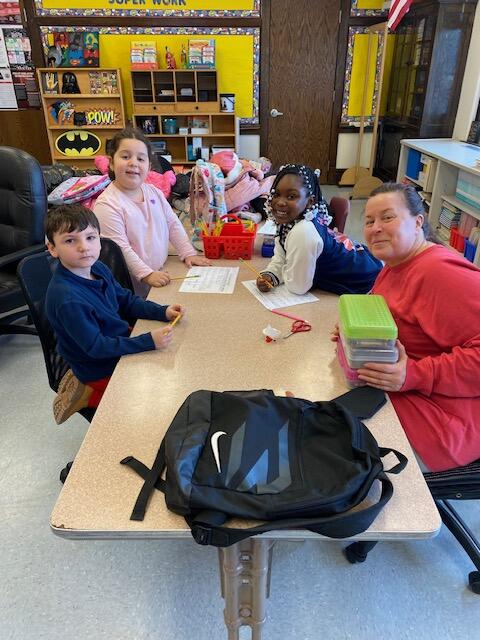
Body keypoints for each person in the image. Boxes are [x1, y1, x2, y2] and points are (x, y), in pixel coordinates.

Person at [357, 182, 480, 471]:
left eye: (388, 217)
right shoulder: (395, 264)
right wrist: (359, 333)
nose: (376, 228)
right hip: (406, 394)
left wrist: (414, 374)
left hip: (442, 421)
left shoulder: (439, 273)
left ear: (417, 222)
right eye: (369, 221)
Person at [45, 204, 185, 424]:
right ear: (52, 248)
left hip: (116, 341)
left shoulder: (97, 268)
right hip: (99, 366)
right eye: (70, 240)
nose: (84, 247)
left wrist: (162, 311)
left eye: (90, 237)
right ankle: (89, 393)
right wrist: (148, 341)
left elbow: (125, 300)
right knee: (152, 402)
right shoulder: (67, 299)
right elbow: (97, 348)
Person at [94, 127, 210, 298]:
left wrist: (188, 253)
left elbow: (172, 224)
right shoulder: (107, 204)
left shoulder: (154, 192)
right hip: (131, 287)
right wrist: (146, 274)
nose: (133, 163)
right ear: (111, 163)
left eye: (141, 158)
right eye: (125, 157)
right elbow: (121, 249)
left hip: (159, 274)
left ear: (149, 166)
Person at [256, 164, 382, 295]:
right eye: (276, 194)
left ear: (310, 201)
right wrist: (271, 275)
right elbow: (281, 257)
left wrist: (283, 273)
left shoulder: (303, 231)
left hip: (367, 282)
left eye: (291, 196)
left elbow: (298, 287)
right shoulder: (290, 221)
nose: (280, 202)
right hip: (367, 260)